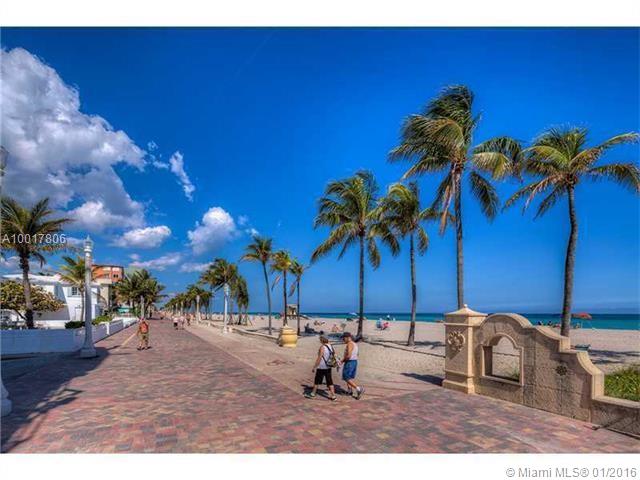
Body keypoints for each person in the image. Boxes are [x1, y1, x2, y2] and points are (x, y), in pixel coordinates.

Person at [304, 336, 338, 401]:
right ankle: (333, 396)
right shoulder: (331, 346)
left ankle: (313, 393)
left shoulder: (322, 347)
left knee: (317, 380)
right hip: (328, 366)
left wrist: (315, 367)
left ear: (322, 341)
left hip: (322, 366)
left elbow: (319, 358)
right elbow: (334, 355)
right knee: (329, 381)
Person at [341, 332, 364, 399]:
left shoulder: (350, 344)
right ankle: (349, 391)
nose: (343, 340)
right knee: (349, 377)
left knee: (346, 377)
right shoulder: (355, 344)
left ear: (348, 338)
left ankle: (359, 389)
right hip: (354, 362)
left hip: (350, 362)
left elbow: (349, 355)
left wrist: (342, 361)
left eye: (344, 338)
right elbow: (357, 354)